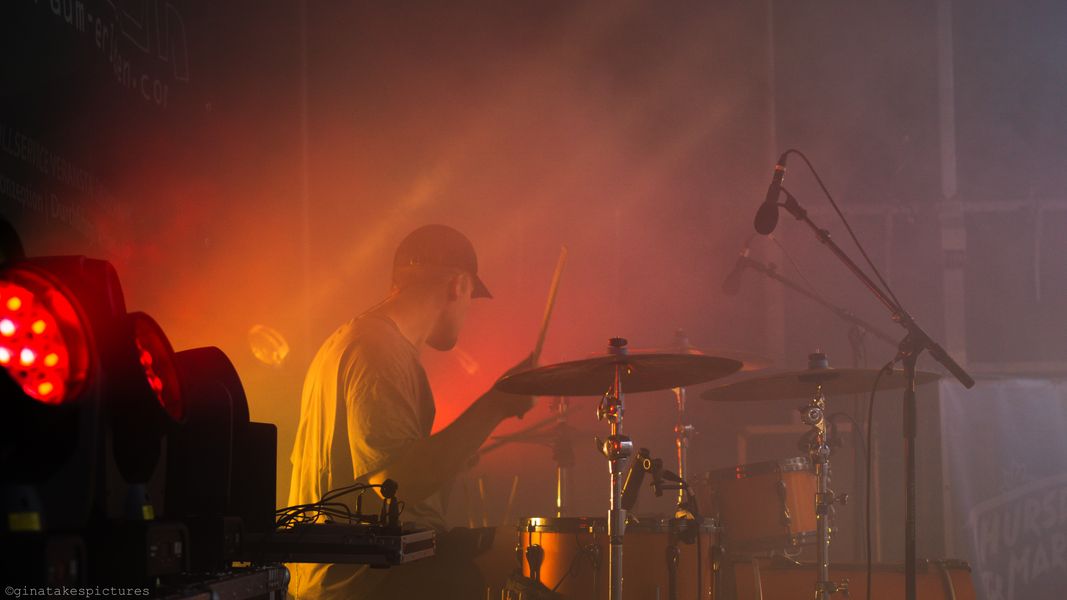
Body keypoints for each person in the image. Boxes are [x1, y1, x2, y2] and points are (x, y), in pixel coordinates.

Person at [287, 224, 533, 599]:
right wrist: (497, 403)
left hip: (362, 568)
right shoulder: (377, 351)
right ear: (459, 286)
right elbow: (394, 484)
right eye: (471, 297)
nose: (468, 312)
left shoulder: (361, 340)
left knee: (511, 546)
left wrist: (454, 456)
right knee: (525, 558)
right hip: (364, 582)